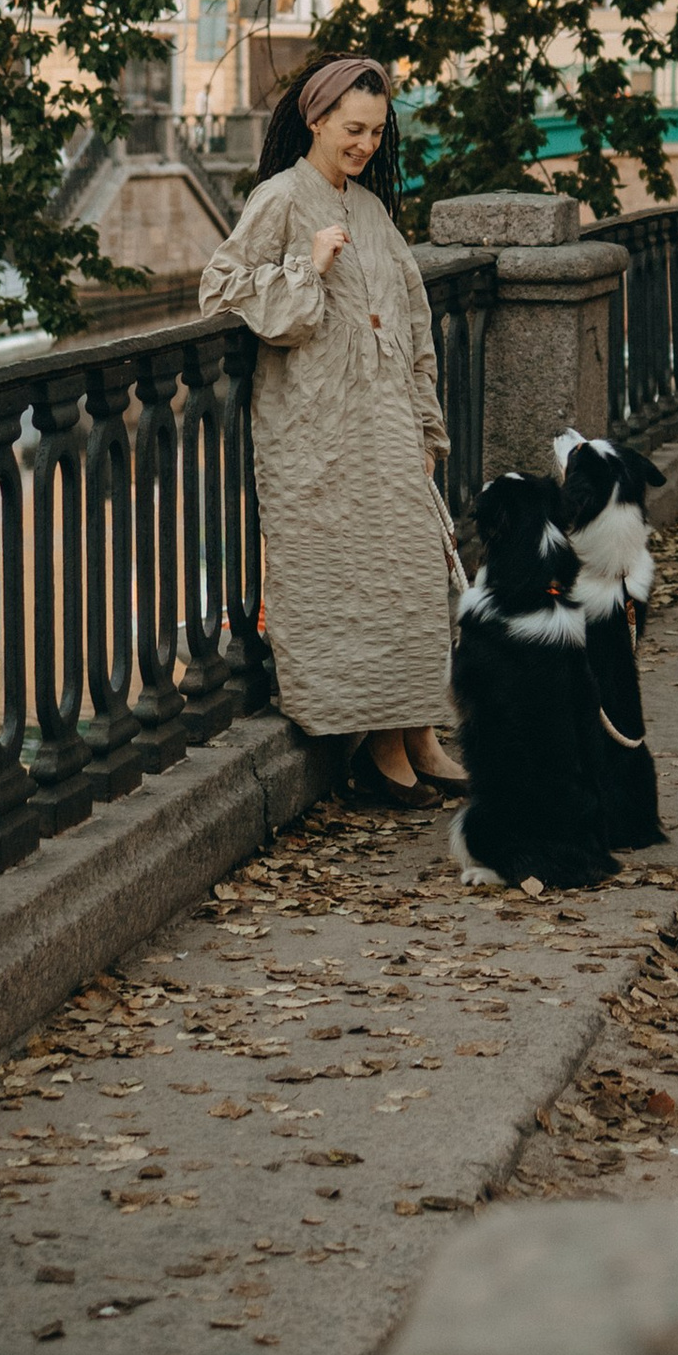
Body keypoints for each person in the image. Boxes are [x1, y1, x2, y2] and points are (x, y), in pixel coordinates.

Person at [198, 54, 468, 808]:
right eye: (353, 128)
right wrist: (306, 269)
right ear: (315, 120)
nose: (366, 144)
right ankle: (379, 751)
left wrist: (425, 425)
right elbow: (219, 290)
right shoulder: (280, 199)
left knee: (410, 582)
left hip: (387, 429)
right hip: (319, 433)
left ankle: (419, 734)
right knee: (348, 584)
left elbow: (412, 322)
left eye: (376, 131)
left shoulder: (373, 211)